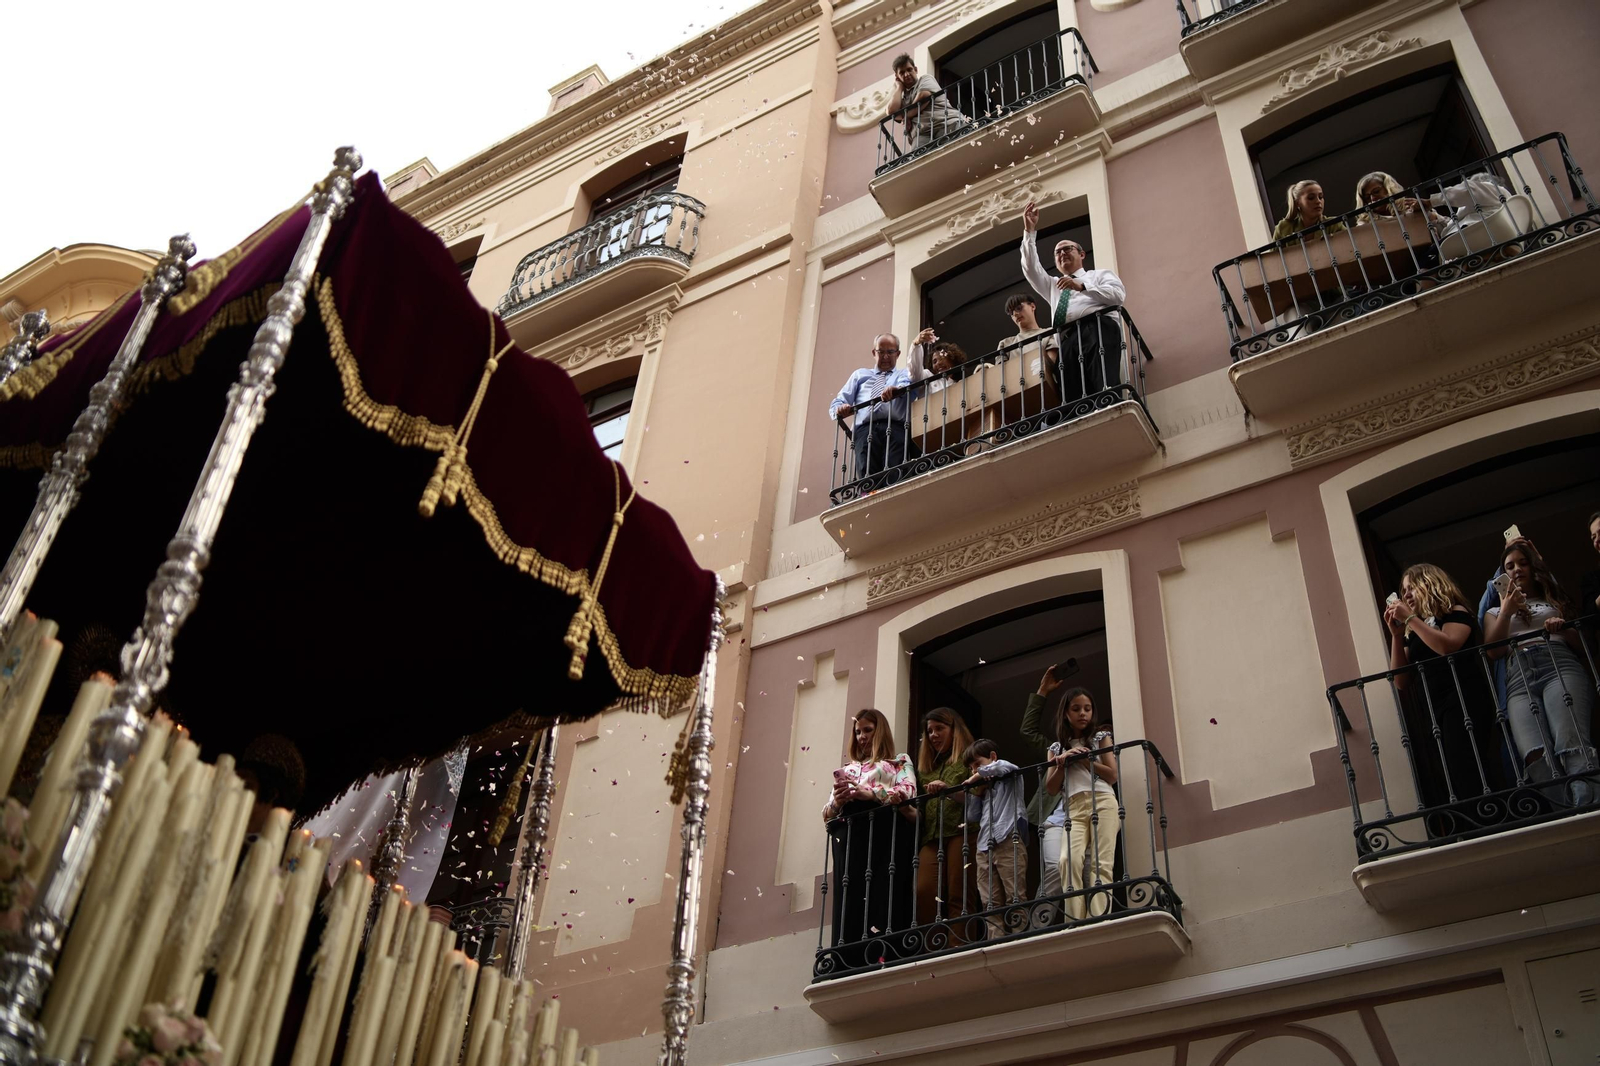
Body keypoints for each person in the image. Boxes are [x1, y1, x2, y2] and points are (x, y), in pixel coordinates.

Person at [1483, 538, 1597, 806]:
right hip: (1518, 676)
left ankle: (1588, 804)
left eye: (1523, 563)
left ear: (1533, 569)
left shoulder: (1553, 600)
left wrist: (1563, 627)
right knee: (1533, 753)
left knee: (1570, 740)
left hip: (1558, 663)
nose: (1517, 569)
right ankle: (1565, 809)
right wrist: (1506, 612)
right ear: (1503, 575)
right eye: (1509, 566)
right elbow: (1493, 651)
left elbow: (1585, 646)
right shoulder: (1494, 611)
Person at [1384, 563, 1502, 816]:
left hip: (1464, 696)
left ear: (1429, 583)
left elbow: (1448, 646)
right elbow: (1401, 680)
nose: (1405, 595)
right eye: (1403, 590)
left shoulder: (1453, 612)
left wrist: (1411, 620)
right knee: (1449, 768)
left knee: (1465, 762)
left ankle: (1489, 818)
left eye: (1411, 587)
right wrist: (1396, 635)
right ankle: (1470, 822)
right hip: (1435, 706)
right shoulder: (1413, 630)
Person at [823, 709, 918, 966]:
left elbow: (907, 790)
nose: (862, 736)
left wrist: (871, 794)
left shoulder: (898, 761)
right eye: (858, 732)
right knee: (851, 891)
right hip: (851, 835)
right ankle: (848, 957)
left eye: (867, 730)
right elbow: (826, 813)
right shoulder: (848, 769)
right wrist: (837, 803)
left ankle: (885, 950)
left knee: (881, 887)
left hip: (883, 832)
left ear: (880, 730)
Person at [1019, 202, 1126, 407]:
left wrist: (1082, 286)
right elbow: (1031, 269)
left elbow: (1117, 295)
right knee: (1073, 391)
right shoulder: (1053, 285)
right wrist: (1029, 232)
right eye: (1058, 253)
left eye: (1067, 249)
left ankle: (1109, 404)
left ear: (1082, 254)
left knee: (1102, 378)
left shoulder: (1098, 275)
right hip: (1067, 338)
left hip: (1097, 327)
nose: (1062, 254)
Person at [1043, 688, 1119, 921]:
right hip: (1073, 806)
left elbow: (1112, 776)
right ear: (1066, 713)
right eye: (1076, 709)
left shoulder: (1100, 738)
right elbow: (1051, 787)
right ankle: (1075, 921)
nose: (1083, 713)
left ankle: (1098, 917)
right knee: (1068, 860)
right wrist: (1062, 764)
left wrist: (1085, 760)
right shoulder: (1055, 749)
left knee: (1100, 861)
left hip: (1102, 801)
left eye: (1087, 709)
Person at [912, 707, 979, 942]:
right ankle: (933, 953)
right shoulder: (924, 771)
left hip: (963, 831)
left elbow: (977, 795)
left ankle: (958, 948)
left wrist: (949, 791)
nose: (933, 735)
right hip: (932, 837)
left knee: (958, 893)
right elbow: (919, 812)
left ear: (955, 730)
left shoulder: (969, 759)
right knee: (924, 892)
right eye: (929, 731)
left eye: (939, 728)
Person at [828, 332, 930, 487]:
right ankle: (868, 498)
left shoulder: (904, 374)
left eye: (890, 352)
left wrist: (897, 390)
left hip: (896, 427)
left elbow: (906, 386)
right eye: (881, 352)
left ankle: (892, 497)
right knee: (867, 471)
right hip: (865, 429)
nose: (885, 356)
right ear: (873, 353)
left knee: (894, 469)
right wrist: (840, 409)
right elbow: (838, 402)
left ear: (898, 354)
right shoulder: (860, 375)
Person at [960, 739, 1028, 939]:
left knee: (1015, 895)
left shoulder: (1010, 775)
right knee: (990, 901)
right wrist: (978, 792)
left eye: (977, 764)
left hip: (1008, 837)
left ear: (992, 757)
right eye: (971, 768)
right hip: (984, 846)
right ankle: (995, 942)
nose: (974, 771)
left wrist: (977, 777)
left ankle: (1020, 939)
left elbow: (1006, 766)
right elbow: (972, 816)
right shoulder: (985, 789)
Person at [886, 54, 969, 153]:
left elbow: (923, 97)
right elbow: (891, 112)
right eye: (902, 72)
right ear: (897, 77)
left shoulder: (925, 79)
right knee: (918, 163)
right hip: (921, 136)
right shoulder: (903, 99)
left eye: (909, 69)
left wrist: (906, 116)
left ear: (915, 69)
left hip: (946, 123)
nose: (906, 74)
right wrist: (899, 87)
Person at [1000, 294, 1062, 417]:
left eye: (1018, 308)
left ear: (1032, 306)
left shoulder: (1049, 333)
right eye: (1011, 313)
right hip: (1017, 400)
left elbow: (1052, 363)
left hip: (1048, 396)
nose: (1015, 314)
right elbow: (1000, 374)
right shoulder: (1006, 343)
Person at [1354, 171, 1446, 228]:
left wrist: (1425, 213)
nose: (1372, 198)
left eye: (1376, 191)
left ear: (1388, 188)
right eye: (1367, 197)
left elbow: (1445, 225)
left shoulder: (1410, 205)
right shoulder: (1365, 223)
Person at [1272, 180, 1348, 242]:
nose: (1318, 201)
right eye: (1311, 198)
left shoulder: (1334, 224)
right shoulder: (1283, 228)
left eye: (1320, 197)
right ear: (1297, 202)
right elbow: (1273, 258)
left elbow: (1351, 246)